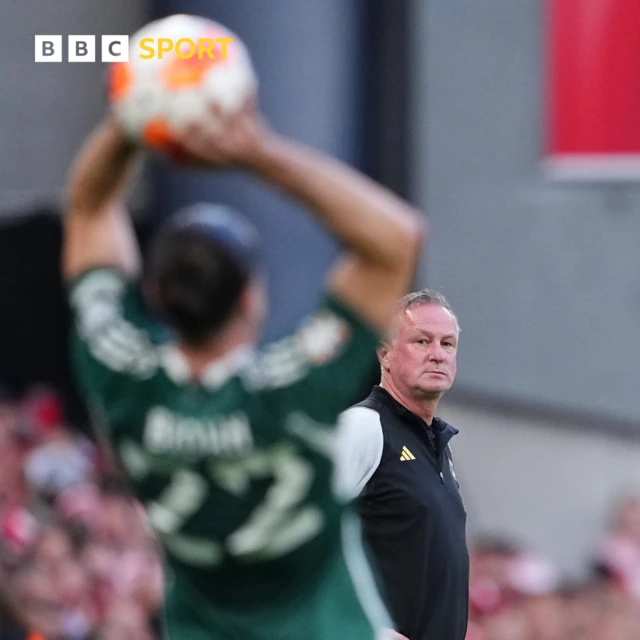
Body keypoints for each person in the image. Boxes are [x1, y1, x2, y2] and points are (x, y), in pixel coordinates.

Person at [61, 97, 423, 640]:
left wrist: (131, 120)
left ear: (155, 294)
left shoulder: (118, 372)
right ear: (251, 300)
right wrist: (257, 152)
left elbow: (89, 209)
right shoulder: (297, 384)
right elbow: (395, 238)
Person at [337, 290, 469, 640]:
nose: (437, 355)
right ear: (385, 353)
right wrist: (369, 629)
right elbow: (306, 534)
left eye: (448, 344)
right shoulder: (364, 427)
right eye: (421, 341)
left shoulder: (439, 447)